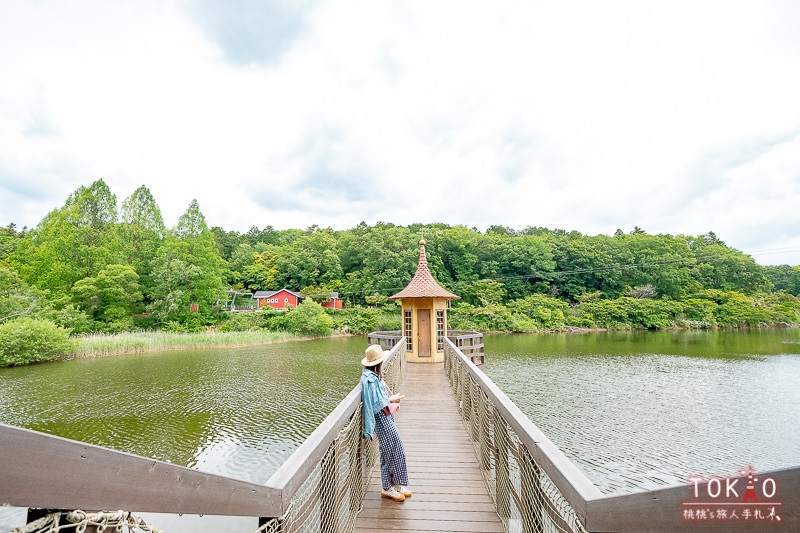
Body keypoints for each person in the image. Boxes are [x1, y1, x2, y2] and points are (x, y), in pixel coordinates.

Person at [360, 344, 412, 502]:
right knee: (393, 450)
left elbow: (378, 399)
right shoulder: (369, 380)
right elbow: (375, 403)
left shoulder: (373, 376)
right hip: (380, 420)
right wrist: (391, 400)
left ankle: (394, 484)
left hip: (385, 416)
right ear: (379, 363)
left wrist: (391, 402)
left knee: (391, 450)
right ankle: (387, 487)